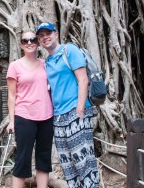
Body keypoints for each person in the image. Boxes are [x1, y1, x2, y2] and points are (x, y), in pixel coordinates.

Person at [36, 22, 99, 188]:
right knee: (68, 164)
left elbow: (83, 79)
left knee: (84, 160)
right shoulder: (47, 61)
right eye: (41, 35)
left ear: (56, 34)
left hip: (75, 112)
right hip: (58, 117)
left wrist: (80, 109)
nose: (45, 37)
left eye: (48, 33)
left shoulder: (69, 50)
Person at [6, 31, 54, 188]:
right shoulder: (15, 66)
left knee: (44, 156)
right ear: (20, 44)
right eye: (25, 40)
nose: (29, 42)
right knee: (22, 157)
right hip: (24, 115)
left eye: (33, 39)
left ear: (38, 42)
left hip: (46, 115)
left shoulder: (45, 64)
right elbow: (12, 96)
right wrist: (11, 121)